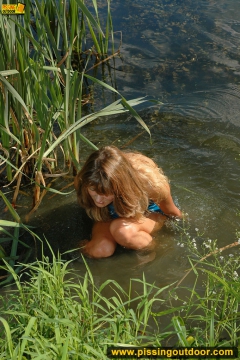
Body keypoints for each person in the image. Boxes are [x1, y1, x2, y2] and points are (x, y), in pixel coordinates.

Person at [74, 145, 182, 258]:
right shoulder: (83, 180)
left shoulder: (150, 183)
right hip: (108, 215)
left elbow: (172, 213)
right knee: (101, 249)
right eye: (93, 190)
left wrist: (181, 233)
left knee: (123, 231)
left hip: (147, 213)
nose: (99, 200)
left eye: (105, 193)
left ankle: (151, 250)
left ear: (121, 186)